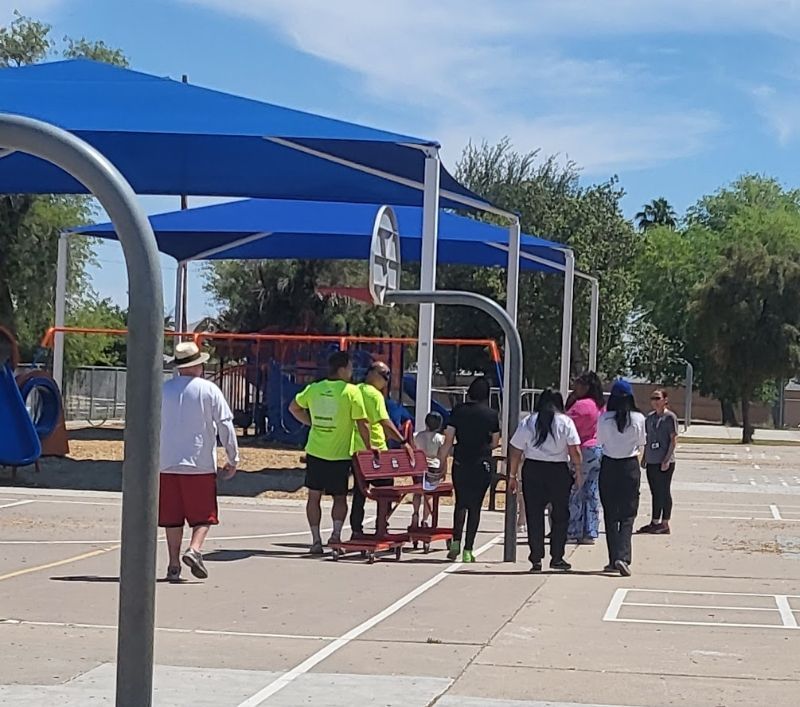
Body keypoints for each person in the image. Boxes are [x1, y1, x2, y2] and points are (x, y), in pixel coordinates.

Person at [159, 341, 239, 583]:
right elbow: (225, 424)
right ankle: (194, 549)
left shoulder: (163, 389)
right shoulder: (209, 390)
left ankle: (173, 564)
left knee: (171, 518)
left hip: (166, 461)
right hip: (199, 462)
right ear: (197, 365)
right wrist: (233, 457)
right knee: (204, 515)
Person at [289, 351, 372, 554]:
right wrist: (369, 449)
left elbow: (294, 407)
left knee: (314, 496)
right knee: (340, 497)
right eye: (350, 368)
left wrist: (312, 423)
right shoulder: (352, 392)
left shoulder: (314, 389)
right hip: (340, 454)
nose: (352, 372)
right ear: (342, 369)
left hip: (316, 451)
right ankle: (335, 536)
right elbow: (363, 423)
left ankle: (316, 540)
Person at [508, 389, 583, 572]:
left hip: (533, 469)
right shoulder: (565, 422)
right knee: (560, 515)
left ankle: (536, 558)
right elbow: (575, 451)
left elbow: (516, 450)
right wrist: (579, 471)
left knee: (534, 515)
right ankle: (557, 556)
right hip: (558, 470)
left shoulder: (529, 421)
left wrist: (512, 475)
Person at [438, 377, 500, 563]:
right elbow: (495, 441)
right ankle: (468, 549)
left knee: (461, 503)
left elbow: (448, 438)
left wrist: (441, 462)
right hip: (482, 462)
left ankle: (455, 541)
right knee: (475, 507)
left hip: (461, 461)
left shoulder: (459, 411)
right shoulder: (491, 414)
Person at [349, 360, 413, 538]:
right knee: (386, 490)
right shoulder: (374, 394)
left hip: (355, 449)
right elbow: (385, 423)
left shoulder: (354, 390)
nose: (386, 379)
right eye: (384, 375)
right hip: (376, 450)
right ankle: (381, 528)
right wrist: (402, 441)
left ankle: (356, 529)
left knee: (360, 492)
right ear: (371, 373)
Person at [597, 379, 646, 577]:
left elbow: (600, 441)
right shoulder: (638, 418)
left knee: (610, 514)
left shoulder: (604, 419)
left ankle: (612, 558)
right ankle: (622, 556)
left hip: (609, 465)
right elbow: (642, 443)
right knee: (628, 514)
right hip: (629, 466)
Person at [566, 372, 605, 545]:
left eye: (579, 384)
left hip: (583, 449)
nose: (575, 387)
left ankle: (573, 528)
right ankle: (590, 530)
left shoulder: (580, 406)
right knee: (591, 491)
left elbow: (566, 425)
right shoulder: (600, 406)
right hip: (597, 449)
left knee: (575, 490)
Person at [638, 389, 679, 535]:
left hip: (664, 460)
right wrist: (644, 458)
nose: (655, 401)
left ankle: (665, 522)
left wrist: (666, 459)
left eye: (658, 398)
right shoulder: (649, 418)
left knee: (664, 491)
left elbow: (673, 440)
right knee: (655, 491)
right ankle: (654, 521)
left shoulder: (670, 418)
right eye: (652, 398)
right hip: (652, 460)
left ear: (665, 400)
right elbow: (647, 440)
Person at [413, 411, 446, 525]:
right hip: (434, 468)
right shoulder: (441, 439)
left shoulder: (416, 436)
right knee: (429, 495)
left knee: (417, 492)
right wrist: (444, 470)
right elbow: (442, 456)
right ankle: (425, 519)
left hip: (419, 468)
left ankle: (415, 513)